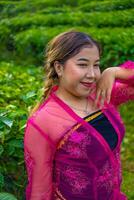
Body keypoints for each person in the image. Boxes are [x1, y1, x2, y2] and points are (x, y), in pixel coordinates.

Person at [24, 30, 134, 200]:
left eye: (96, 65)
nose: (92, 75)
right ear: (59, 67)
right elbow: (40, 190)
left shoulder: (102, 95)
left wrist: (114, 71)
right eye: (83, 65)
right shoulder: (43, 121)